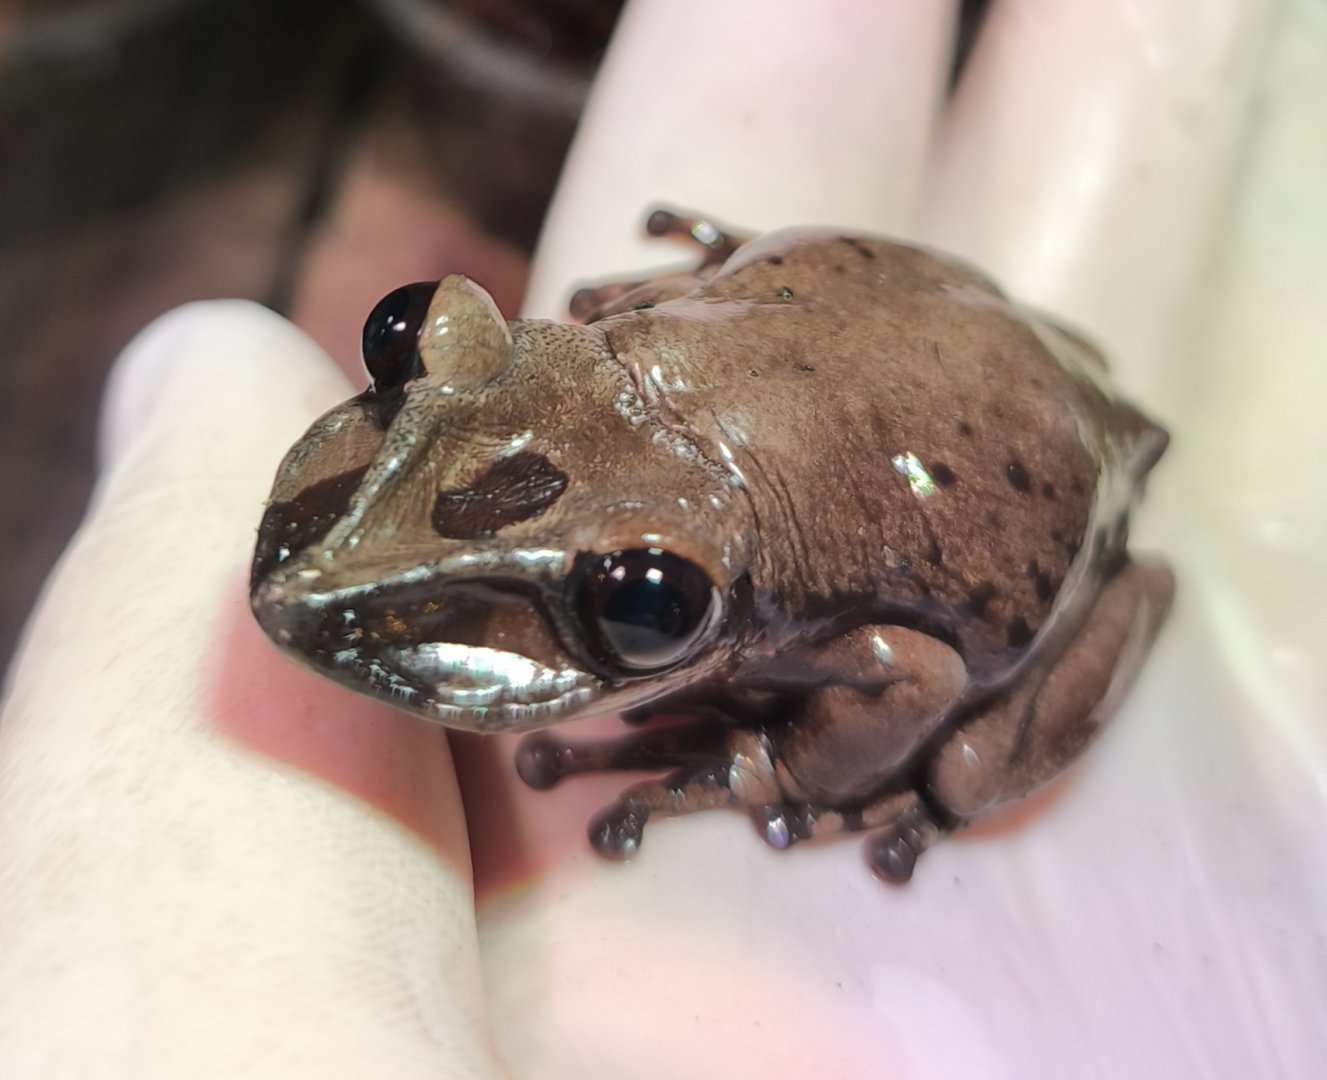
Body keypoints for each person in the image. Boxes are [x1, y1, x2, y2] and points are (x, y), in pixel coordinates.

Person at [3, 2, 1324, 1075]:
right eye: (419, 341)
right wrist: (724, 288)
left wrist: (784, 764)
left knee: (969, 763)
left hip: (1029, 531)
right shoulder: (620, 360)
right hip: (933, 348)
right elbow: (773, 305)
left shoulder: (823, 597)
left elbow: (908, 672)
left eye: (643, 602)